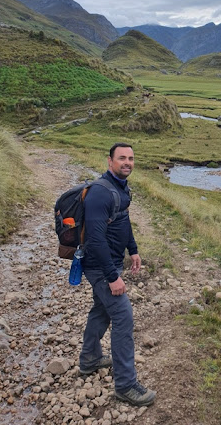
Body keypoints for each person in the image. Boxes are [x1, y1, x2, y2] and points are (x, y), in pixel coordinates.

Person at [78, 142, 156, 407]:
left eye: (131, 158)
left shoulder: (121, 188)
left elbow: (123, 220)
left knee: (101, 309)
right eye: (122, 158)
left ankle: (89, 359)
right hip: (100, 267)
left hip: (109, 263)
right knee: (122, 316)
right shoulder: (101, 193)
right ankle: (125, 385)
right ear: (109, 161)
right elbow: (95, 241)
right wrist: (112, 277)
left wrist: (132, 250)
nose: (127, 162)